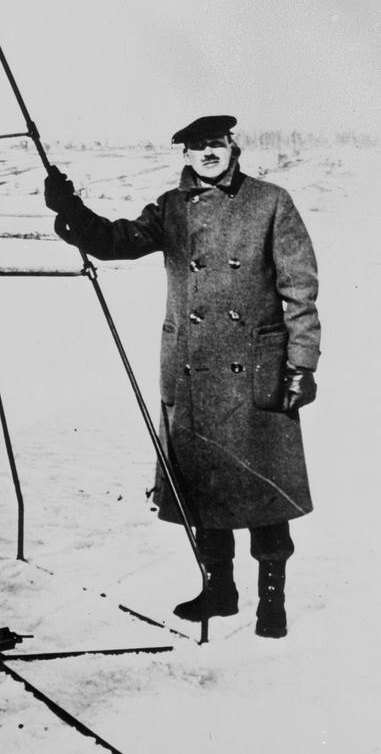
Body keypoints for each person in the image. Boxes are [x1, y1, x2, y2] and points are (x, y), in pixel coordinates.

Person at [43, 115, 320, 638]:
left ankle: (271, 601)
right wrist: (70, 209)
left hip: (255, 366)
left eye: (215, 144)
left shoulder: (272, 201)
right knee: (201, 484)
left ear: (232, 147)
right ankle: (219, 589)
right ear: (186, 157)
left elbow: (299, 290)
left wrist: (301, 366)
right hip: (191, 367)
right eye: (197, 148)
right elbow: (117, 241)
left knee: (264, 488)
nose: (207, 154)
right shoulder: (171, 208)